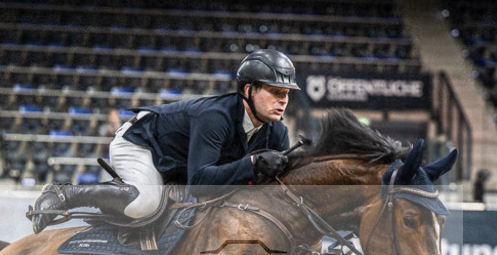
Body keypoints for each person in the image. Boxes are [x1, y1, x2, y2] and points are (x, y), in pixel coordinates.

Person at [29, 48, 299, 232]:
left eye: (286, 93)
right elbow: (200, 183)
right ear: (249, 90)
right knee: (144, 204)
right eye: (275, 92)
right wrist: (252, 163)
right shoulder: (215, 117)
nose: (283, 100)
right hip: (142, 143)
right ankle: (65, 194)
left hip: (178, 162)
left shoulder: (277, 132)